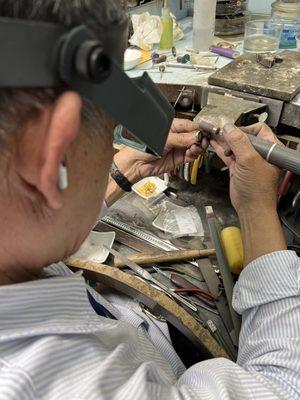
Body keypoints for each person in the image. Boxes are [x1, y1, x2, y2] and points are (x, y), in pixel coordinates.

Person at [0, 1, 299, 399]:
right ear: (50, 157)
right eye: (109, 134)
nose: (111, 149)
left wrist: (126, 170)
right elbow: (284, 385)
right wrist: (257, 207)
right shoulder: (77, 386)